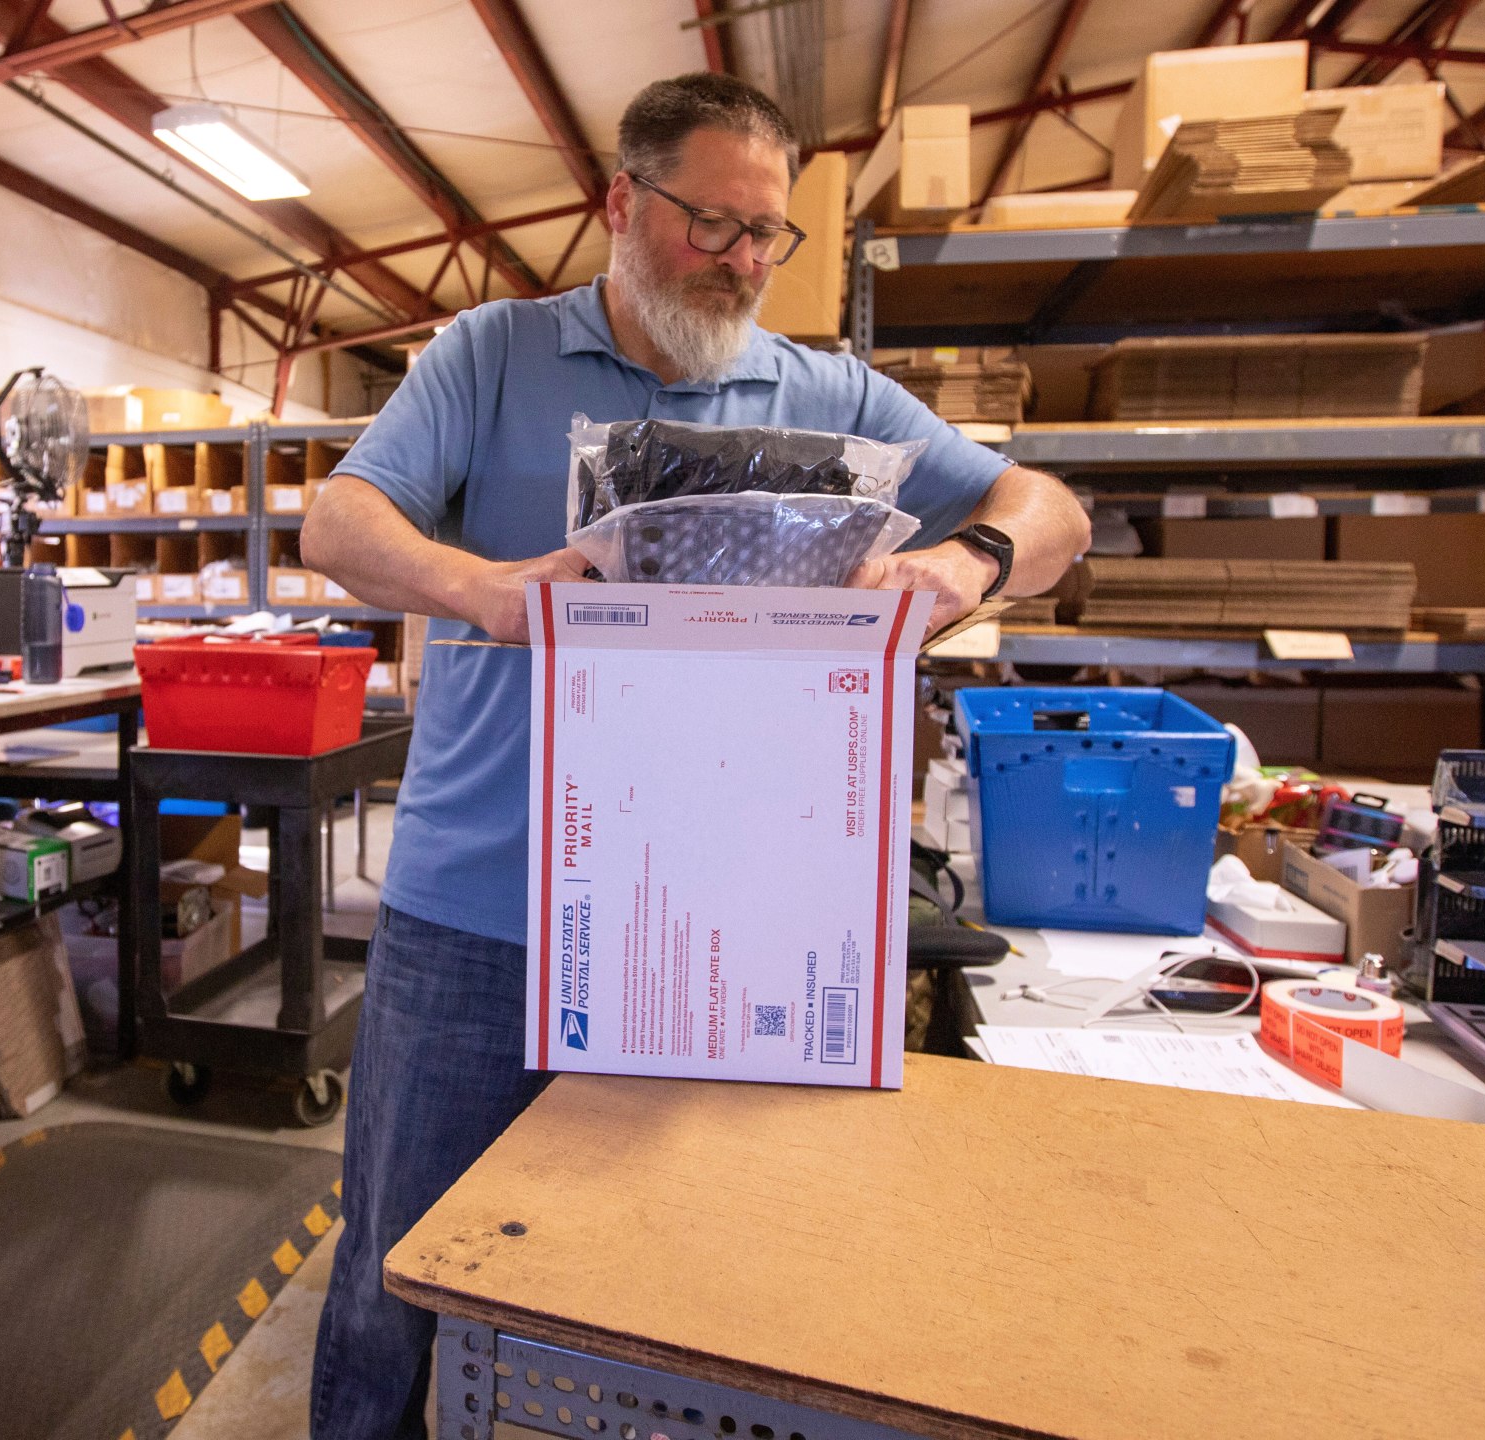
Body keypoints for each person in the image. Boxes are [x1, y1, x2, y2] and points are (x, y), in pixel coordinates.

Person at [297, 71, 1090, 1439]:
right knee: (393, 1277)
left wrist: (967, 563)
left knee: (656, 1288)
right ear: (620, 200)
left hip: (716, 932)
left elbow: (1053, 506)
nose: (740, 263)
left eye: (765, 235)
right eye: (709, 225)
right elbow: (337, 522)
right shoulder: (492, 355)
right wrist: (495, 590)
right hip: (477, 918)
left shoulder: (831, 394)